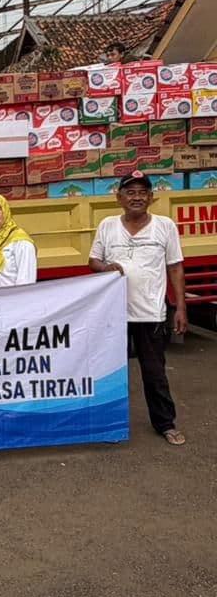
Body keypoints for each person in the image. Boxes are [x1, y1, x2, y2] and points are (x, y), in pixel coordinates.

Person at [88, 170, 187, 446]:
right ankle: (110, 425)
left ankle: (165, 424)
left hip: (151, 314)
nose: (137, 197)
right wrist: (106, 267)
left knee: (155, 374)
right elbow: (93, 261)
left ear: (151, 198)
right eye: (130, 192)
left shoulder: (164, 226)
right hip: (114, 315)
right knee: (110, 374)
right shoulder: (108, 225)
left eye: (142, 192)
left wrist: (180, 308)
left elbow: (175, 267)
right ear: (119, 197)